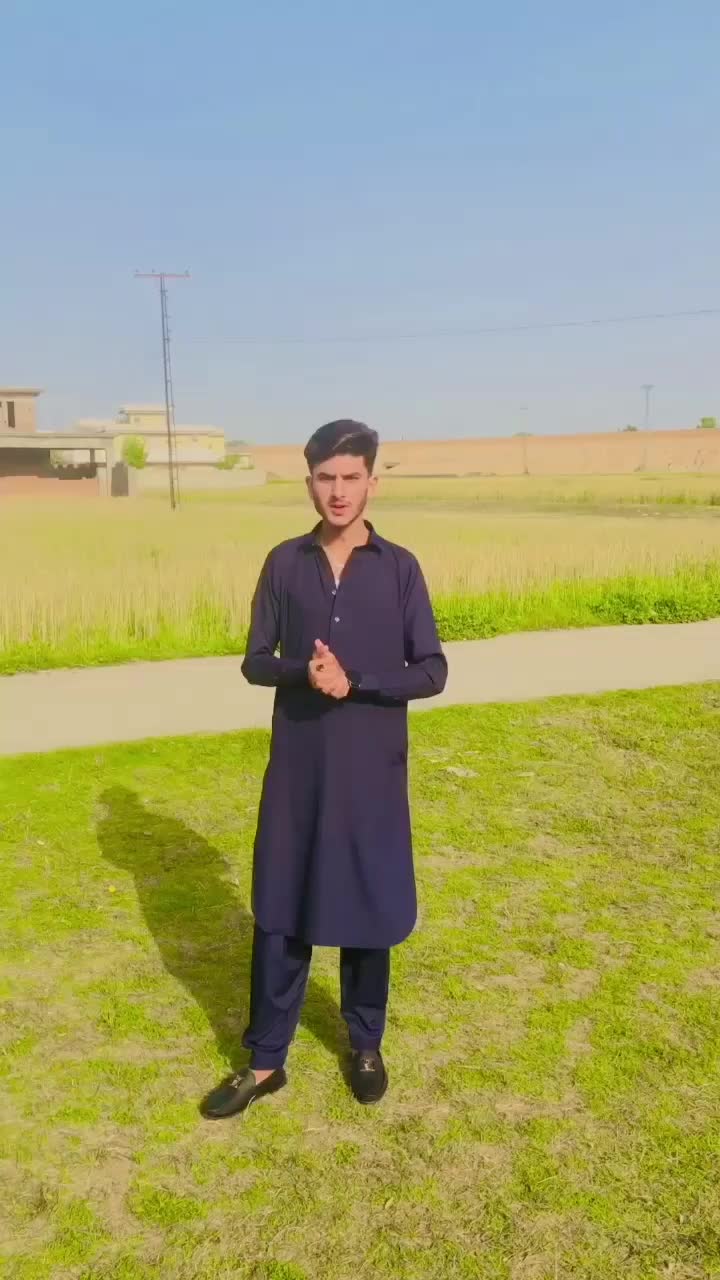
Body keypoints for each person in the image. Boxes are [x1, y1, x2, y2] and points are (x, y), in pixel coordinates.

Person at [201, 419, 447, 1119]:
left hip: (372, 768)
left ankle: (365, 1044)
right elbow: (255, 662)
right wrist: (303, 674)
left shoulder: (399, 568)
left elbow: (432, 671)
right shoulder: (285, 562)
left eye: (350, 477)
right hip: (300, 768)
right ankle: (265, 1060)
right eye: (325, 478)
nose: (338, 491)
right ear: (308, 481)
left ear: (373, 481)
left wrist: (356, 680)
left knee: (368, 901)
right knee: (284, 906)